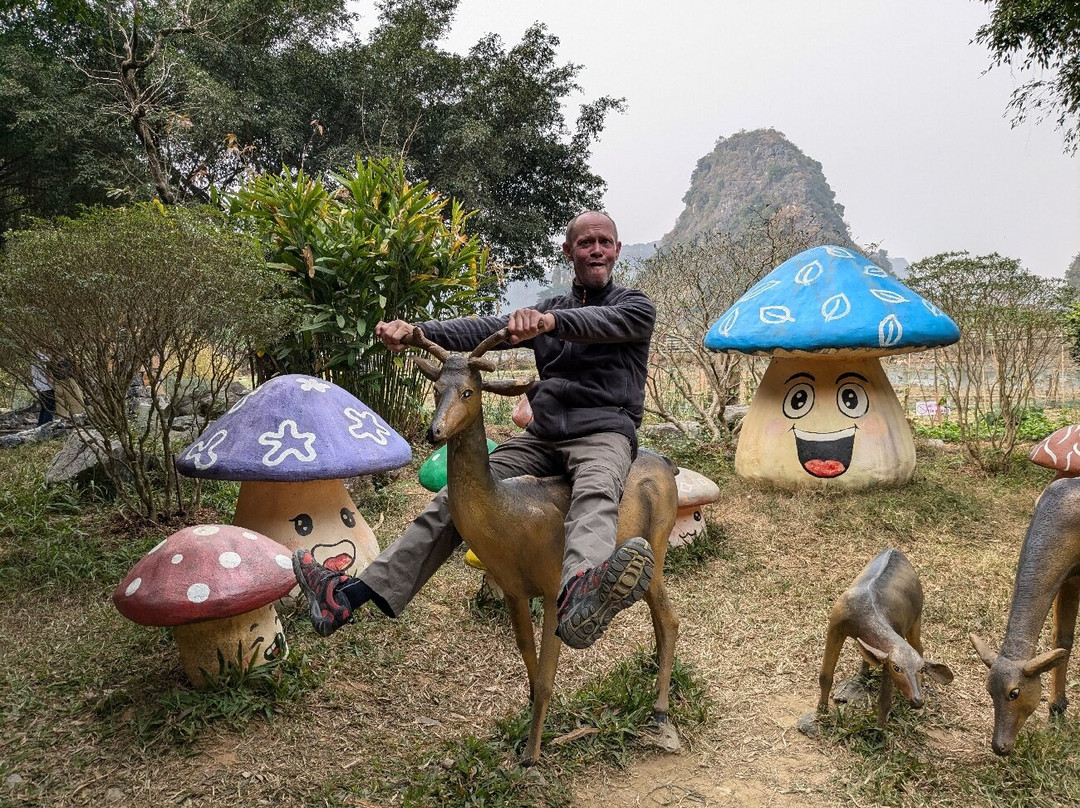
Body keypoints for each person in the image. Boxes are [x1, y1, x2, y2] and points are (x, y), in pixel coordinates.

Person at [293, 210, 657, 650]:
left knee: (596, 492)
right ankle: (345, 597)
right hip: (542, 436)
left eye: (604, 242)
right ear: (568, 251)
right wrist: (417, 332)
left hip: (603, 432)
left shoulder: (635, 307)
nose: (596, 250)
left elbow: (600, 324)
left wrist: (549, 324)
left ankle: (581, 592)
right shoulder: (548, 309)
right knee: (458, 494)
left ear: (617, 249)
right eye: (586, 243)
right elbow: (484, 329)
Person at [31, 351, 56, 426]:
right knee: (49, 408)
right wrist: (54, 383)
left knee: (44, 407)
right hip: (47, 387)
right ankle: (46, 426)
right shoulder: (46, 359)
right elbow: (49, 375)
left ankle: (40, 425)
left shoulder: (33, 360)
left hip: (39, 387)